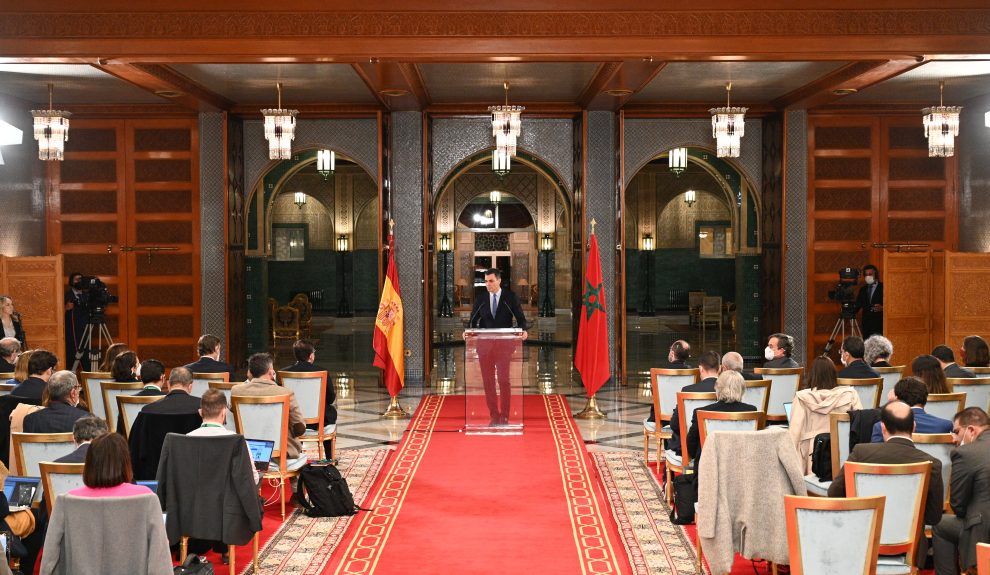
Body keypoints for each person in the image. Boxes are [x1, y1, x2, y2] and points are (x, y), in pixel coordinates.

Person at [40, 433, 173, 575]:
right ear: (125, 462)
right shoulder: (147, 499)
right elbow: (160, 561)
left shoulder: (65, 501)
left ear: (89, 463)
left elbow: (50, 559)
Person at [828, 402, 943, 529]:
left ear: (883, 428)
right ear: (914, 426)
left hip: (864, 540)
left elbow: (834, 493)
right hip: (911, 543)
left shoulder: (861, 453)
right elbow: (933, 517)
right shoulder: (932, 463)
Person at [465, 269, 528, 425]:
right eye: (486, 281)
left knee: (503, 380)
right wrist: (468, 331)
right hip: (484, 346)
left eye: (491, 281)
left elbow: (520, 318)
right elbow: (473, 319)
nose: (488, 284)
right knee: (488, 381)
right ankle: (494, 415)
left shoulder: (509, 298)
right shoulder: (481, 299)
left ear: (499, 281)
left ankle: (505, 415)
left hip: (504, 346)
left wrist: (523, 331)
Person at [932, 407, 990, 575]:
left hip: (984, 532)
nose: (954, 439)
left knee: (941, 525)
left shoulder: (965, 453)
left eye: (957, 432)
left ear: (971, 430)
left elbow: (958, 506)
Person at [790, 356, 863, 473]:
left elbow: (794, 433)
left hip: (812, 452)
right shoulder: (850, 394)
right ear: (834, 374)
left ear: (812, 374)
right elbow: (860, 424)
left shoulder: (801, 397)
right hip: (842, 448)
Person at [232, 353, 306, 459]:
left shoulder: (236, 391)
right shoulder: (285, 393)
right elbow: (300, 428)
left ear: (250, 373)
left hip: (247, 451)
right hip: (281, 452)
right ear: (271, 372)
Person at [188, 389, 259, 484]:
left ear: (200, 412)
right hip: (227, 498)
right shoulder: (237, 440)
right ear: (224, 412)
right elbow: (252, 479)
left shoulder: (186, 439)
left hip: (194, 498)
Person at [685, 370, 757, 461]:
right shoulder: (751, 411)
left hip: (709, 470)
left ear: (717, 388)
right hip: (742, 469)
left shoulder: (701, 412)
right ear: (742, 389)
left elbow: (691, 448)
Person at [667, 350, 720, 456]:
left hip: (692, 447)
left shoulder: (688, 390)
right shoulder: (727, 391)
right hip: (719, 444)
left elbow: (675, 424)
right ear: (720, 369)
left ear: (700, 368)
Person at [870, 377, 953, 442]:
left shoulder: (882, 427)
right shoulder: (945, 426)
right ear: (925, 399)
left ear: (898, 399)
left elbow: (877, 457)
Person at [283, 339, 335, 426]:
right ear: (311, 356)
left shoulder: (283, 372)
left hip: (293, 421)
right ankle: (324, 439)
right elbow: (330, 399)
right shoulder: (322, 372)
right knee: (331, 411)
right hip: (318, 422)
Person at [23, 370, 90, 433]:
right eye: (78, 387)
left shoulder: (30, 420)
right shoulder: (86, 420)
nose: (79, 391)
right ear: (73, 393)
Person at [645, 340, 693, 427]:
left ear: (672, 353)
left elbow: (654, 394)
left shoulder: (659, 372)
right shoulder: (693, 373)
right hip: (683, 418)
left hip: (661, 419)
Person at [63, 272, 90, 372]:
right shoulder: (66, 295)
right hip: (71, 331)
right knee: (72, 355)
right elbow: (57, 314)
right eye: (76, 279)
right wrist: (66, 308)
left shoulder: (87, 295)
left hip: (86, 329)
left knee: (86, 356)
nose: (79, 282)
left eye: (81, 279)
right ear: (71, 281)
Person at [855, 264, 883, 339]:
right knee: (867, 348)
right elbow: (857, 305)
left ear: (876, 275)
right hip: (866, 326)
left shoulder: (884, 287)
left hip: (880, 325)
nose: (868, 276)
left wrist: (883, 308)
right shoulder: (863, 290)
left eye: (870, 274)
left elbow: (892, 305)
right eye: (866, 275)